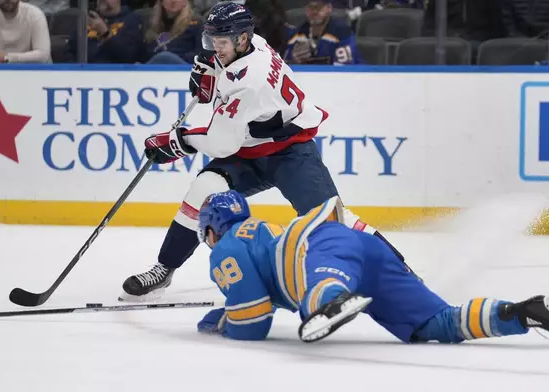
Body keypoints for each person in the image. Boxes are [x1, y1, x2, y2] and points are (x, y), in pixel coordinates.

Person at [118, 1, 406, 301]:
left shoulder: (249, 83)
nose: (216, 48)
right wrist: (210, 67)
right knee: (204, 188)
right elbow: (225, 71)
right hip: (250, 148)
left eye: (222, 43)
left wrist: (178, 141)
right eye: (212, 41)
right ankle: (164, 269)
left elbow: (220, 143)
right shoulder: (253, 42)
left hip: (289, 152)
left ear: (241, 39)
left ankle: (398, 271)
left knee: (331, 219)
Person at [194, 190, 549, 345]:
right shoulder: (263, 230)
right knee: (436, 324)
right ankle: (526, 312)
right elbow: (276, 287)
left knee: (323, 287)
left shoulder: (225, 247)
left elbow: (252, 323)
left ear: (211, 228)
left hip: (325, 251)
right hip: (364, 250)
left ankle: (332, 303)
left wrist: (221, 320)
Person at [63, 0, 144, 63]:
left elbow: (129, 56)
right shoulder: (88, 18)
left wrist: (105, 33)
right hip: (84, 73)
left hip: (115, 73)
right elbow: (69, 50)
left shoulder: (132, 19)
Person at [284, 0, 360, 65]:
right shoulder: (297, 35)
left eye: (318, 7)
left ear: (329, 8)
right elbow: (285, 65)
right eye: (310, 7)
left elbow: (345, 68)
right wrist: (293, 61)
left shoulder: (342, 32)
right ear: (305, 10)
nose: (314, 11)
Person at [0, 0, 51, 64]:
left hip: (36, 72)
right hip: (0, 73)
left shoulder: (35, 15)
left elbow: (43, 56)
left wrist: (7, 58)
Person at [143, 0, 204, 64]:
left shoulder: (196, 25)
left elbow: (201, 55)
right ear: (161, 2)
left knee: (164, 57)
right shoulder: (148, 23)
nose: (173, 1)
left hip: (184, 70)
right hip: (151, 70)